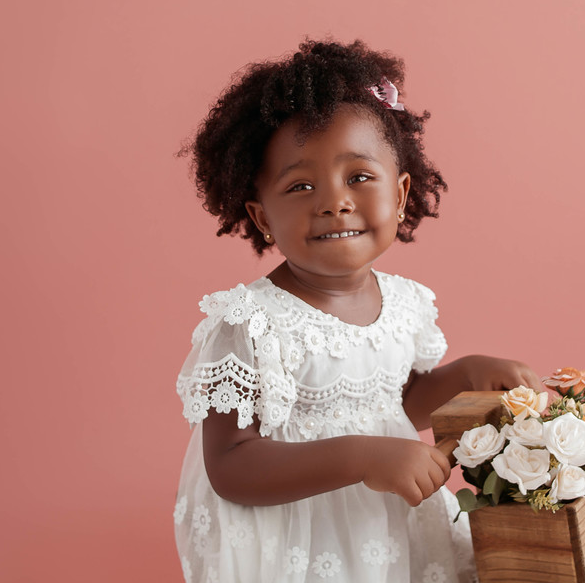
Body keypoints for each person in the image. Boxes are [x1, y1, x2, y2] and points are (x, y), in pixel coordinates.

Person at [174, 39, 542, 582]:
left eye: (360, 177)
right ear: (261, 216)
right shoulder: (252, 322)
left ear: (400, 193)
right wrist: (366, 458)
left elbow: (398, 401)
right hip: (296, 539)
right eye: (300, 185)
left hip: (384, 524)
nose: (333, 201)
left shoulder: (405, 303)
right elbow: (230, 465)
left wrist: (466, 376)